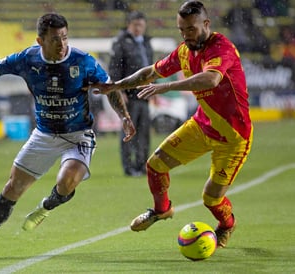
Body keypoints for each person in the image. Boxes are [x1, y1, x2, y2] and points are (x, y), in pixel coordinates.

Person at [0, 13, 136, 260]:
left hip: (78, 134)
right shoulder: (26, 59)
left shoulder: (83, 61)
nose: (62, 45)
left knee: (67, 180)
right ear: (40, 41)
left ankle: (47, 206)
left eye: (64, 37)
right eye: (54, 39)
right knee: (13, 187)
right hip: (44, 134)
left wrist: (124, 116)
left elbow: (110, 87)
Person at [89, 1, 253, 248]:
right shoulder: (184, 52)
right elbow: (149, 73)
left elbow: (211, 79)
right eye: (181, 30)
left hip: (233, 138)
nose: (186, 36)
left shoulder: (222, 48)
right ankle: (161, 209)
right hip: (202, 125)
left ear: (206, 24)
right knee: (155, 165)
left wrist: (167, 87)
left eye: (191, 29)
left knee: (211, 199)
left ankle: (227, 225)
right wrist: (116, 85)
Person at [109, 11, 154, 177]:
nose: (138, 28)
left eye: (141, 25)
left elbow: (151, 67)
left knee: (144, 132)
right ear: (129, 25)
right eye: (135, 25)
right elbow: (114, 68)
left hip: (145, 93)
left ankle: (142, 165)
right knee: (129, 132)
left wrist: (153, 87)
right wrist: (119, 90)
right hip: (129, 95)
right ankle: (129, 167)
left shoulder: (146, 42)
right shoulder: (121, 42)